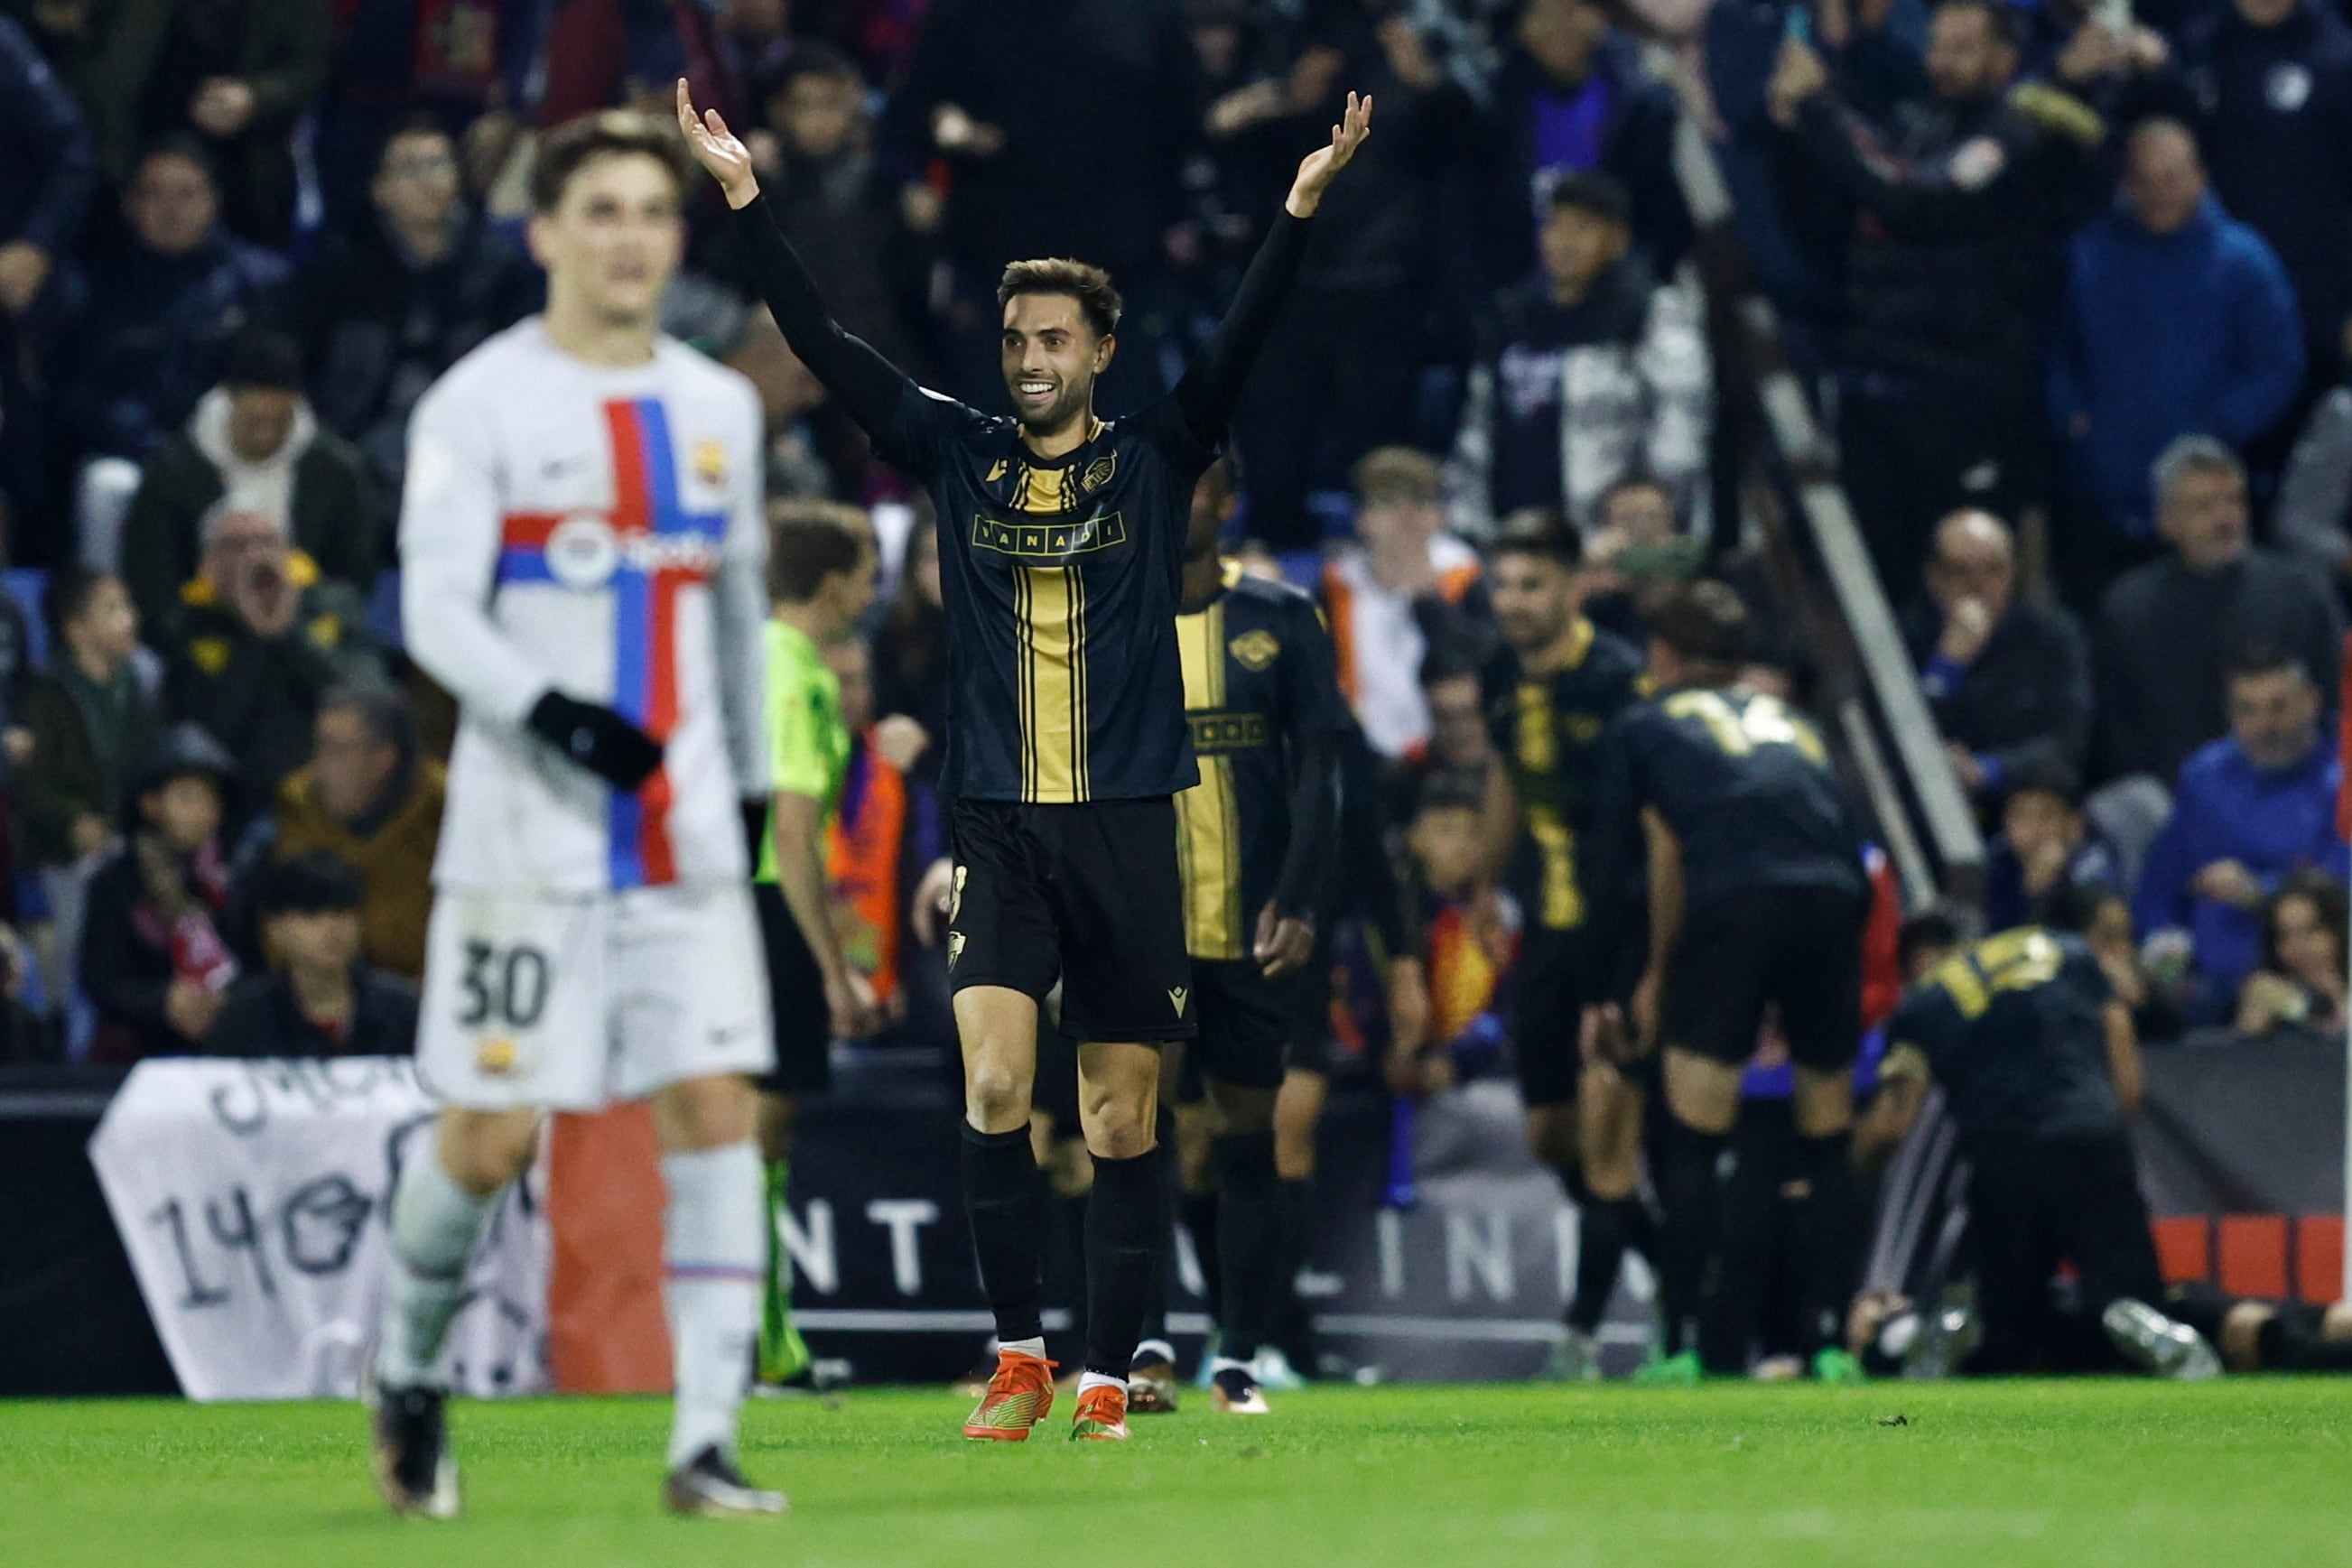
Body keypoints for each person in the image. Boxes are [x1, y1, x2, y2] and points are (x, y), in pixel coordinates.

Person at [682, 75, 1372, 1442]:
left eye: (1054, 336)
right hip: (998, 825)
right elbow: (818, 338)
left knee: (1122, 1121)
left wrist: (1296, 206)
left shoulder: (1156, 455)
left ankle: (1110, 1375)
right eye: (1014, 336)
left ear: (1101, 347)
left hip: (1127, 826)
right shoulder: (954, 449)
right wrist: (748, 199)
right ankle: (1018, 1357)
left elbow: (1247, 335)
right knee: (999, 1085)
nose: (1029, 356)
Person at [375, 111, 782, 1518]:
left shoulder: (718, 409)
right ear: (544, 233)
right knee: (489, 1141)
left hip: (684, 850)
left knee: (715, 1108)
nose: (630, 237)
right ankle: (407, 1375)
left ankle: (706, 1440)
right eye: (601, 210)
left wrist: (750, 813)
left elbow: (736, 625)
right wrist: (561, 720)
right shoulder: (477, 405)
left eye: (654, 213)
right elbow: (432, 609)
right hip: (520, 846)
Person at [1583, 581, 1870, 1381]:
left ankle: (1678, 1345)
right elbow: (1845, 834)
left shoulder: (1643, 724)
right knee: (1826, 1135)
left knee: (1696, 1134)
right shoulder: (1794, 723)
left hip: (1732, 903)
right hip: (1831, 899)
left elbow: (1614, 865)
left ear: (1664, 656)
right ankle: (1827, 1342)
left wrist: (1617, 985)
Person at [1130, 458, 1346, 1417]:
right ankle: (1140, 1348)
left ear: (1224, 498)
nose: (1183, 503)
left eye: (1199, 488)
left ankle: (1241, 1356)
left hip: (1252, 928)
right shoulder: (1106, 619)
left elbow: (1318, 772)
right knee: (1135, 1136)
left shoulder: (1284, 618)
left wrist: (1299, 901)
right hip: (1142, 930)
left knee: (1246, 1142)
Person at [1768, 0, 2106, 594]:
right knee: (1884, 583)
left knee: (1969, 580)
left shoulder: (2018, 131)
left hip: (1966, 403)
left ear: (2004, 57)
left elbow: (1916, 198)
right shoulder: (1916, 124)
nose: (1940, 62)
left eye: (1961, 48)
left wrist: (1818, 109)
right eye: (1937, 46)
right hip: (1878, 399)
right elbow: (1870, 182)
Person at [1884, 905, 2218, 1378]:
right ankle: (2143, 1321)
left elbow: (1894, 1120)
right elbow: (2119, 1042)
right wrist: (2109, 1122)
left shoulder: (1929, 996)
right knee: (2128, 1294)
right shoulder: (2065, 950)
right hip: (2087, 1131)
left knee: (2009, 1318)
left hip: (2001, 1148)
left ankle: (1966, 1333)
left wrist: (1857, 1170)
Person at [1473, 512, 1651, 1378]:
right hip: (1543, 928)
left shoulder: (1619, 679)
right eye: (1502, 583)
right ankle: (1676, 1260)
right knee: (1549, 1135)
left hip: (1617, 928)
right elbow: (1505, 776)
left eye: (1531, 583)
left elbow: (1647, 816)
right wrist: (1481, 880)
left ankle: (1581, 1336)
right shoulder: (1498, 677)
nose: (1512, 602)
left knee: (1607, 1125)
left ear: (1573, 586)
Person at [2048, 118, 2303, 595]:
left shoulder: (2244, 261)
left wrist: (2216, 425)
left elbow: (2278, 365)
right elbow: (2057, 350)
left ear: (2200, 177)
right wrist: (2074, 420)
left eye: (2172, 177)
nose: (2158, 193)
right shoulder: (2089, 253)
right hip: (2101, 497)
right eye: (2144, 180)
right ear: (2126, 183)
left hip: (2201, 503)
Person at [751, 511, 883, 1387]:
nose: (872, 592)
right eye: (867, 573)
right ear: (831, 583)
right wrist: (831, 968)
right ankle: (761, 1347)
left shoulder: (771, 659)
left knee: (759, 1137)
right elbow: (792, 829)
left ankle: (762, 1340)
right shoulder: (789, 673)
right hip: (764, 912)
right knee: (759, 1134)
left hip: (759, 908)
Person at [289, 116, 540, 508]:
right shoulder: (339, 269)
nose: (428, 181)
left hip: (470, 448)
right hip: (358, 445)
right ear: (380, 190)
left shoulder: (500, 268)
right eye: (410, 169)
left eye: (438, 165)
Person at [1450, 172, 1710, 538]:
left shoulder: (1650, 313)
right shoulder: (1512, 317)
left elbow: (1680, 422)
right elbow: (1478, 427)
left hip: (1610, 538)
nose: (1565, 241)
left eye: (1584, 227)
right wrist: (1470, 523)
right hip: (1516, 533)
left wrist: (1655, 512)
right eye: (1555, 226)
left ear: (1617, 240)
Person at [59, 139, 289, 536]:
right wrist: (150, 443)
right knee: (106, 482)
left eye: (187, 193)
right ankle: (104, 597)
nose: (172, 208)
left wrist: (215, 441)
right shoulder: (97, 288)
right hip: (134, 454)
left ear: (215, 200)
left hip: (236, 450)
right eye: (155, 193)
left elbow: (277, 382)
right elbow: (79, 392)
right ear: (129, 205)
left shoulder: (261, 281)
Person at [2095, 436, 2344, 785]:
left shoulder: (2300, 592)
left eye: (2233, 501)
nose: (2224, 518)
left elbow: (2336, 699)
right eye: (2204, 506)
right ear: (2167, 520)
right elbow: (2118, 727)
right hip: (2170, 802)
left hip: (2298, 794)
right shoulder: (2128, 608)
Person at [118, 328, 382, 635]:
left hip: (307, 637)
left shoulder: (335, 471)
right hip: (200, 642)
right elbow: (152, 584)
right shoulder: (175, 471)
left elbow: (355, 578)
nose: (266, 435)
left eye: (279, 422)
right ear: (230, 401)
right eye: (255, 421)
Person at [2135, 648, 2349, 1019]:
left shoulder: (2342, 780)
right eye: (2247, 711)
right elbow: (2162, 878)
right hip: (2206, 994)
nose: (2264, 725)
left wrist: (2260, 893)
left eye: (2278, 707)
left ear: (2312, 701)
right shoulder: (2204, 778)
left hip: (2312, 987)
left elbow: (2343, 889)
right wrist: (2161, 938)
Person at [158, 503, 377, 807]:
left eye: (266, 542)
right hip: (244, 802)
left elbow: (361, 704)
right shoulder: (187, 629)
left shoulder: (333, 607)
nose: (255, 557)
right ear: (208, 565)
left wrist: (285, 634)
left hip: (341, 790)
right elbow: (216, 734)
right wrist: (255, 637)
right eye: (235, 546)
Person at [1904, 509, 2094, 802]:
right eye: (1961, 571)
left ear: (2012, 572)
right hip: (1934, 805)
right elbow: (1901, 744)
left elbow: (2069, 740)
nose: (1978, 586)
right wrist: (1946, 666)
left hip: (2027, 799)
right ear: (1934, 577)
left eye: (1993, 569)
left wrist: (1989, 770)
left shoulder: (2052, 637)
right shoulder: (1906, 640)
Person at [80, 724, 238, 1063]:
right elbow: (100, 981)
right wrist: (164, 1001)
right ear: (151, 804)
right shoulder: (115, 883)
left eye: (210, 799)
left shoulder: (229, 881)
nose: (202, 813)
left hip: (220, 1049)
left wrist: (227, 1002)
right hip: (134, 1054)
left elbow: (252, 968)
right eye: (186, 797)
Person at [1323, 447, 1490, 762]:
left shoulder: (1470, 577)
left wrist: (1428, 600)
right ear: (1362, 519)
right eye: (1387, 502)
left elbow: (1484, 669)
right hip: (1362, 763)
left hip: (1454, 758)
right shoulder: (1336, 587)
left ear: (1441, 516)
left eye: (1421, 501)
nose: (1406, 515)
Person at [273, 685, 445, 982]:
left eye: (337, 750)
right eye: (319, 747)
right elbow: (281, 927)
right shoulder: (299, 803)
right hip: (324, 996)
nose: (320, 766)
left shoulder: (443, 808)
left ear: (383, 759)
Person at [209, 850, 421, 1058]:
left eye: (342, 911)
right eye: (312, 914)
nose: (332, 927)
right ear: (276, 928)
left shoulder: (405, 1012)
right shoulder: (244, 1020)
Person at [1982, 759, 2125, 933]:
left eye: (2046, 817)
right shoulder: (1998, 860)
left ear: (2075, 824)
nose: (2031, 831)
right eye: (2019, 816)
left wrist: (2041, 894)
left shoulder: (2095, 864)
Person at [2236, 869, 2350, 1035]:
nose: (2298, 947)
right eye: (2285, 935)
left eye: (2311, 930)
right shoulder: (2274, 996)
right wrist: (2253, 1029)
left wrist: (2336, 996)